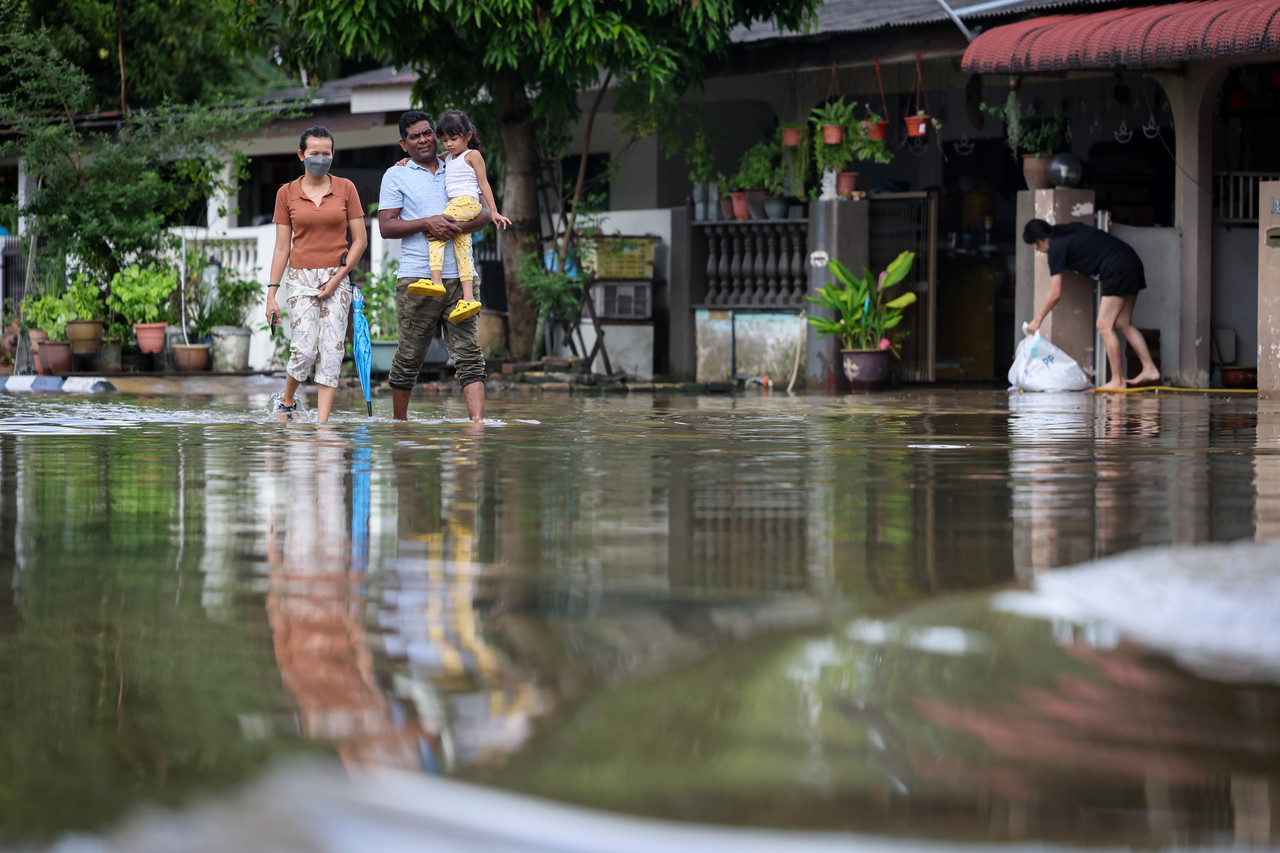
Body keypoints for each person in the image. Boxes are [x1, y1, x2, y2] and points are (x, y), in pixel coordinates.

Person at [378, 110, 492, 422]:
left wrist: (454, 227)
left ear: (436, 134)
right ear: (404, 144)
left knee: (469, 354)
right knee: (410, 355)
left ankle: (477, 427)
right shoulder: (396, 175)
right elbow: (386, 227)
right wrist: (428, 222)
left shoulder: (458, 162)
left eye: (427, 133)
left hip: (462, 280)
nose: (423, 140)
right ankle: (399, 424)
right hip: (417, 278)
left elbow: (484, 212)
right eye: (414, 136)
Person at [265, 126, 367, 422]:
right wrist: (271, 294)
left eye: (326, 153)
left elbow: (360, 241)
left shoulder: (346, 188)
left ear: (332, 155)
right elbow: (282, 247)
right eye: (314, 154)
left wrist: (338, 278)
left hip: (338, 276)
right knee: (304, 348)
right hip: (300, 278)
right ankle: (287, 401)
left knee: (332, 351)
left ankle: (322, 424)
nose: (321, 159)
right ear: (301, 155)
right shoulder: (287, 193)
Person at [1022, 219, 1160, 392]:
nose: (1037, 250)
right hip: (1130, 260)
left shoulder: (1056, 248)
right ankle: (1150, 368)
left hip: (1116, 268)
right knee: (1123, 322)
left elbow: (1055, 293)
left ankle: (1117, 380)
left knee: (1104, 325)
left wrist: (1037, 319)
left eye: (1035, 246)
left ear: (1041, 240)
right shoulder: (1068, 231)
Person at [413, 109, 510, 324]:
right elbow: (429, 159)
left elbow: (484, 183)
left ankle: (436, 281)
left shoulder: (472, 155)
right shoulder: (448, 156)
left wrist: (493, 211)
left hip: (465, 202)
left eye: (453, 139)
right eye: (444, 140)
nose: (448, 144)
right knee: (462, 251)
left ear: (467, 136)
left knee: (436, 230)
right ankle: (468, 298)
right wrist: (407, 162)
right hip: (460, 205)